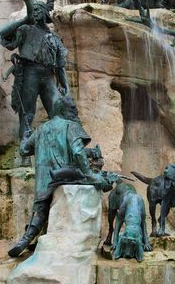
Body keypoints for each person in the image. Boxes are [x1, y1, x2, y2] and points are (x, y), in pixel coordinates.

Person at [8, 96, 115, 258]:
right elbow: (77, 152)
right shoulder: (71, 126)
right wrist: (90, 175)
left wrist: (25, 137)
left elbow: (24, 150)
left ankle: (25, 239)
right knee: (104, 180)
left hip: (44, 180)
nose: (76, 111)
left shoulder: (41, 129)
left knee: (41, 211)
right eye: (73, 109)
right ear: (63, 110)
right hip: (66, 176)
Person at [0, 0, 70, 141]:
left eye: (38, 10)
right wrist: (24, 19)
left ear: (45, 14)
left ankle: (58, 151)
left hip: (49, 77)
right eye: (34, 10)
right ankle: (24, 151)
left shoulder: (55, 38)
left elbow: (60, 66)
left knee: (57, 112)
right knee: (27, 114)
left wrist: (65, 86)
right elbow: (2, 33)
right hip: (30, 74)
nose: (35, 13)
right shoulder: (24, 30)